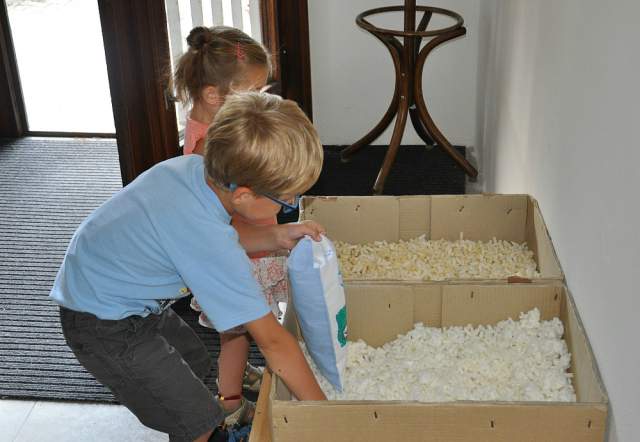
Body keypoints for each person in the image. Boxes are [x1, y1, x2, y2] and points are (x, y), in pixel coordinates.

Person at [50, 92, 327, 442]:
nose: (289, 206)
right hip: (103, 324)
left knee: (195, 361)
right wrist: (326, 414)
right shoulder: (210, 243)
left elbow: (209, 234)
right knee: (197, 418)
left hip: (108, 290)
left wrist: (274, 236)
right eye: (285, 201)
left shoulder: (194, 169)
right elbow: (273, 341)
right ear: (243, 195)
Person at [173, 25, 284, 424]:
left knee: (238, 332)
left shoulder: (212, 127)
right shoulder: (208, 149)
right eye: (253, 91)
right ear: (213, 96)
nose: (261, 99)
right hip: (240, 254)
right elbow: (229, 209)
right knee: (238, 335)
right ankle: (231, 404)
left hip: (245, 244)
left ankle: (237, 376)